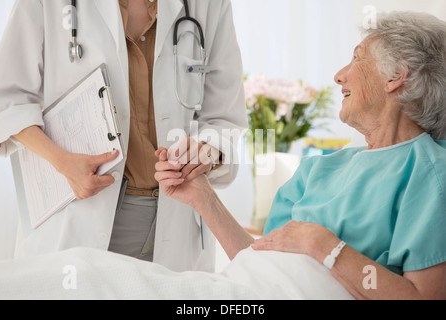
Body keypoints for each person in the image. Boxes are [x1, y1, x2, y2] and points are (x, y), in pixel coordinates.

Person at [155, 11, 446, 299]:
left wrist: (326, 247)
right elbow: (261, 262)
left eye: (357, 58)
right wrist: (202, 196)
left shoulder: (431, 174)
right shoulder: (319, 168)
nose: (339, 75)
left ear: (396, 76)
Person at [0, 0, 247, 272]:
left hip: (175, 219)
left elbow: (225, 119)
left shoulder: (209, 4)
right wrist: (62, 162)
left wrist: (206, 153)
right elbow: (7, 100)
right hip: (79, 214)